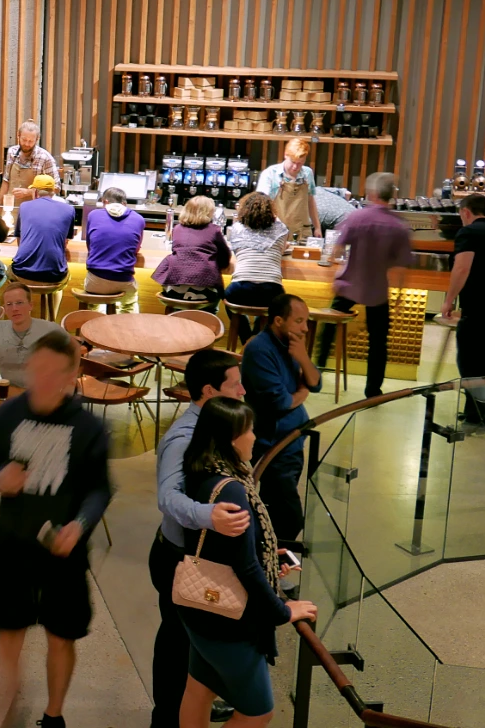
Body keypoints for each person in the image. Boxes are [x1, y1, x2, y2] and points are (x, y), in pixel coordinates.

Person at [0, 332, 112, 728]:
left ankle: (53, 715)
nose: (42, 379)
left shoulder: (88, 427)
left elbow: (99, 489)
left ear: (72, 376)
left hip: (63, 547)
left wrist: (81, 524)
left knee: (62, 636)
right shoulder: (9, 414)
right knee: (9, 632)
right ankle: (5, 716)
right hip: (14, 542)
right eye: (37, 369)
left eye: (54, 373)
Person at [178, 396, 317, 728]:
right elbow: (246, 567)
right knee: (258, 712)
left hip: (199, 607)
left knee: (199, 690)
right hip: (228, 619)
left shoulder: (200, 473)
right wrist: (283, 611)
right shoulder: (232, 490)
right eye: (250, 430)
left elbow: (226, 548)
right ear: (231, 438)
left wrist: (264, 554)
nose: (255, 437)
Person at [148, 350, 249, 728]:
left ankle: (193, 705)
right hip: (177, 557)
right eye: (234, 384)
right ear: (208, 390)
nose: (242, 390)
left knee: (195, 644)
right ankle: (167, 718)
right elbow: (167, 497)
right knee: (177, 644)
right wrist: (211, 516)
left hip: (196, 556)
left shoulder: (214, 428)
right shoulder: (183, 438)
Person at [316, 173, 413, 398]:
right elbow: (401, 268)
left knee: (328, 328)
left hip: (348, 284)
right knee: (378, 342)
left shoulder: (357, 217)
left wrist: (334, 269)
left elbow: (336, 250)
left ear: (372, 194)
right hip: (378, 291)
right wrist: (399, 294)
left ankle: (317, 371)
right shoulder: (398, 226)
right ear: (391, 195)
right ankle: (373, 390)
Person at [241, 294, 322, 544]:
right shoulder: (259, 350)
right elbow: (281, 402)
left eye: (306, 321)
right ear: (278, 321)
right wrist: (302, 393)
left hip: (293, 441)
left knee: (278, 509)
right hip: (273, 444)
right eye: (299, 321)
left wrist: (303, 358)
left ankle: (270, 556)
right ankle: (270, 558)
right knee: (288, 517)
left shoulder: (293, 345)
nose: (305, 328)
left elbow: (315, 383)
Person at [441, 192, 485, 429]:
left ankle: (477, 416)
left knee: (469, 361)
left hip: (478, 310)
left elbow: (462, 268)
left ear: (466, 212)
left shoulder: (468, 233)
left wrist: (449, 300)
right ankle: (478, 413)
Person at [225, 193, 290, 342]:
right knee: (275, 307)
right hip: (272, 290)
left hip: (240, 289)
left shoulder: (237, 228)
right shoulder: (281, 229)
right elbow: (280, 251)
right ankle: (256, 339)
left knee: (226, 296)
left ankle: (246, 339)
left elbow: (237, 251)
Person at [0, 282, 66, 389]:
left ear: (30, 305)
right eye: (9, 304)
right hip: (10, 392)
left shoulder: (50, 330)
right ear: (5, 308)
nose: (14, 308)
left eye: (19, 303)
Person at [153, 195, 232, 311]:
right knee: (212, 306)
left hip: (173, 287)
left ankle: (174, 319)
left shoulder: (177, 229)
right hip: (204, 288)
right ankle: (207, 320)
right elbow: (225, 257)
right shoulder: (214, 230)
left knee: (177, 307)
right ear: (208, 212)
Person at [9, 175, 76, 285]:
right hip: (55, 275)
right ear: (53, 192)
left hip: (22, 273)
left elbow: (20, 241)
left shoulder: (24, 206)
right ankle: (52, 295)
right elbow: (65, 243)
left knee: (5, 271)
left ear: (35, 192)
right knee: (66, 278)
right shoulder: (69, 209)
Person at [83, 186, 145, 297]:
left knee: (94, 303)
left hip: (95, 281)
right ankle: (127, 308)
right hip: (124, 280)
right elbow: (136, 249)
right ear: (124, 203)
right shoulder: (139, 219)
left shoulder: (93, 215)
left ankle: (95, 308)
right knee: (129, 304)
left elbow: (89, 246)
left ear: (105, 202)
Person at [255, 137, 321, 242]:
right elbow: (262, 205)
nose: (295, 167)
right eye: (293, 162)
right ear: (285, 155)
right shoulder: (270, 174)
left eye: (300, 163)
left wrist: (317, 227)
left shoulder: (307, 173)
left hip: (301, 231)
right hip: (276, 232)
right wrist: (279, 227)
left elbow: (310, 201)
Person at [1, 119, 59, 205]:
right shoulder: (12, 152)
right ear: (18, 135)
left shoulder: (45, 158)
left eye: (31, 141)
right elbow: (6, 181)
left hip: (34, 208)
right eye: (24, 140)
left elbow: (56, 188)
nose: (27, 144)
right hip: (11, 208)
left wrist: (28, 192)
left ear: (37, 139)